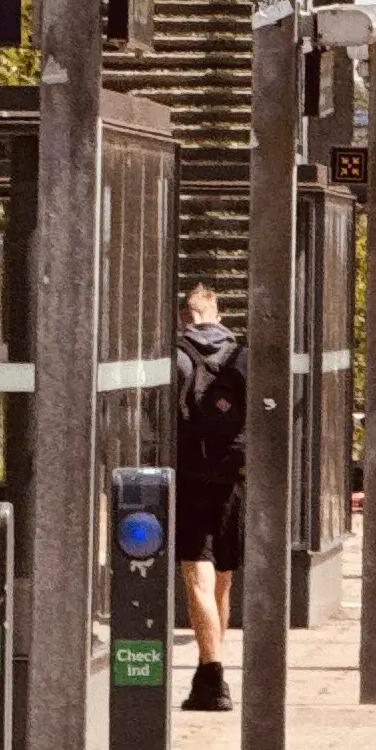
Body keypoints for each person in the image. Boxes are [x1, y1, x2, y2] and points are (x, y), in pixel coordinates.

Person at [173, 284, 248, 712]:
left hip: (191, 475)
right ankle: (211, 666)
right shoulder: (239, 355)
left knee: (195, 575)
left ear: (186, 316)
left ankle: (213, 675)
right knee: (222, 574)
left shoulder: (179, 357)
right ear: (216, 313)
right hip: (233, 476)